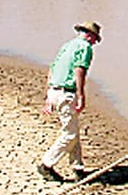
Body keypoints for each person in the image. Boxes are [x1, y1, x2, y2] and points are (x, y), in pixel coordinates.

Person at [37, 21, 102, 182]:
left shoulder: (67, 46)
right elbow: (79, 70)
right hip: (67, 93)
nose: (94, 43)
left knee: (73, 130)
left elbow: (52, 68)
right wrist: (81, 95)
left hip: (55, 90)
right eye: (95, 39)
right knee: (70, 134)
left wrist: (49, 96)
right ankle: (47, 164)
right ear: (89, 35)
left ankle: (78, 168)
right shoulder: (85, 48)